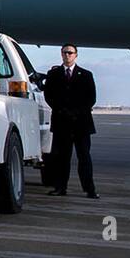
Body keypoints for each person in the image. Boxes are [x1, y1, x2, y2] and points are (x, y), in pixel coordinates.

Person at [43, 44, 99, 198]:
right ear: (61, 54)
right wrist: (62, 110)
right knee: (62, 158)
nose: (67, 55)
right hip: (62, 122)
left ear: (76, 55)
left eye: (70, 53)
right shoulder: (53, 74)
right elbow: (49, 96)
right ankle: (60, 187)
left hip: (81, 123)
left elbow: (91, 98)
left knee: (84, 157)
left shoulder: (86, 75)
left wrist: (77, 112)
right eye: (65, 52)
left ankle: (90, 189)